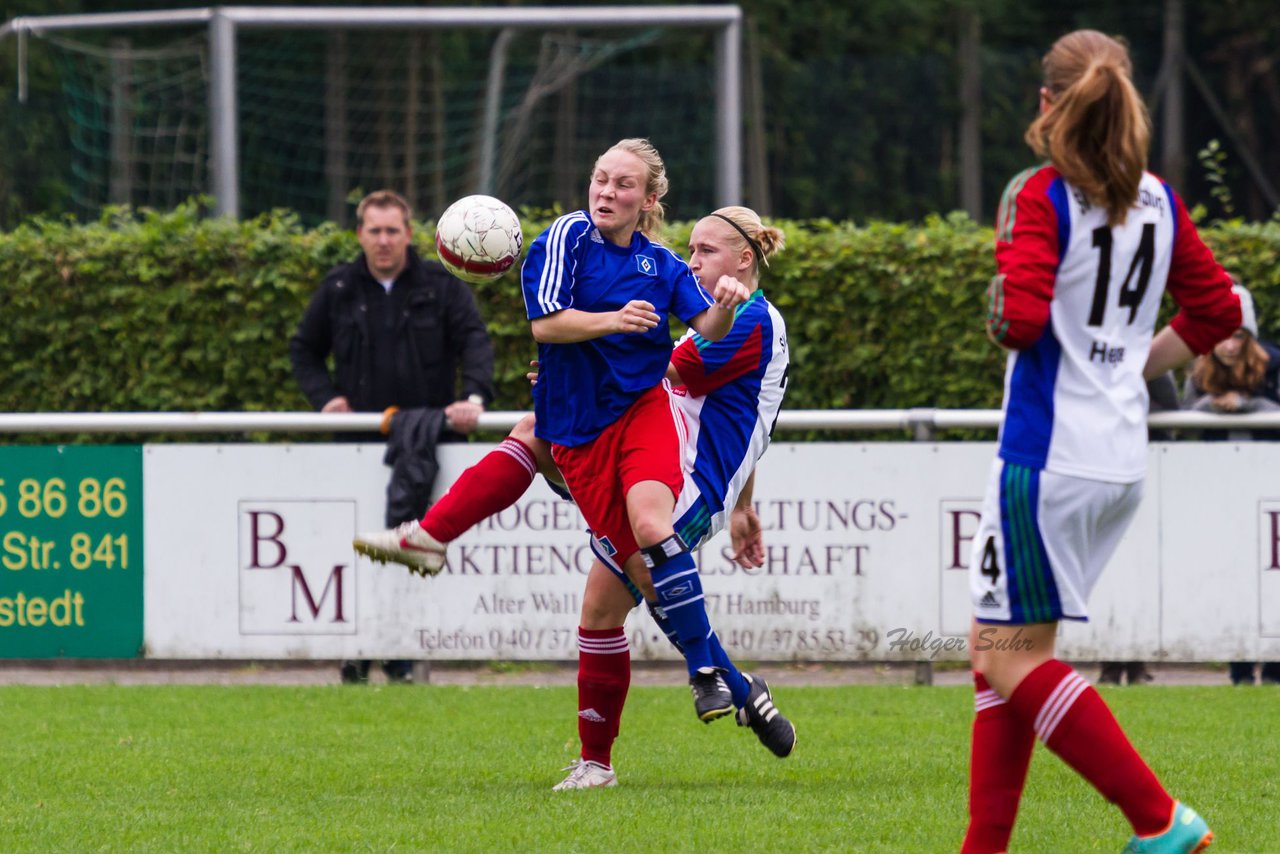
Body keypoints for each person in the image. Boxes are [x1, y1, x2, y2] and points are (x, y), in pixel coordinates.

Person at [354, 164, 793, 776]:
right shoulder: (643, 266)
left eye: (707, 251)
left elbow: (663, 367)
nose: (693, 261)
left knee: (635, 571)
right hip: (685, 453)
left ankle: (718, 684)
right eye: (689, 249)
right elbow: (734, 410)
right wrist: (748, 505)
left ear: (744, 261)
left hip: (695, 475)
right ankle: (697, 708)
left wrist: (589, 352)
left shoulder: (747, 316)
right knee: (599, 594)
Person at [963, 30, 1240, 854]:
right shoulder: (1157, 197)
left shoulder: (1044, 194)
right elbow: (1219, 312)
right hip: (1117, 457)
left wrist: (1000, 283)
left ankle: (1161, 818)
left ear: (1049, 104)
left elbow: (1017, 320)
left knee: (1003, 656)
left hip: (1047, 456)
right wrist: (1130, 363)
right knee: (1002, 651)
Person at [290, 189, 495, 684]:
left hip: (428, 445)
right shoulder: (338, 287)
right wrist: (325, 399)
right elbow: (303, 349)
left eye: (392, 231)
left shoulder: (442, 286)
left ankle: (405, 652)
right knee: (358, 550)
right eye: (374, 231)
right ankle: (357, 651)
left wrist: (475, 397)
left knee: (412, 548)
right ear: (360, 235)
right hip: (355, 445)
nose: (383, 241)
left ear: (409, 234)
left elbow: (475, 341)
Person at [1179, 283, 1280, 686]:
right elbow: (1184, 415)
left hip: (1270, 482)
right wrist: (1212, 408)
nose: (1229, 344)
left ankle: (1274, 666)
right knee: (1230, 569)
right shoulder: (1200, 370)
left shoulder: (1273, 365)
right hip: (1219, 489)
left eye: (1238, 334)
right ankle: (1238, 665)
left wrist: (1246, 406)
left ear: (1250, 336)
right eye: (1223, 334)